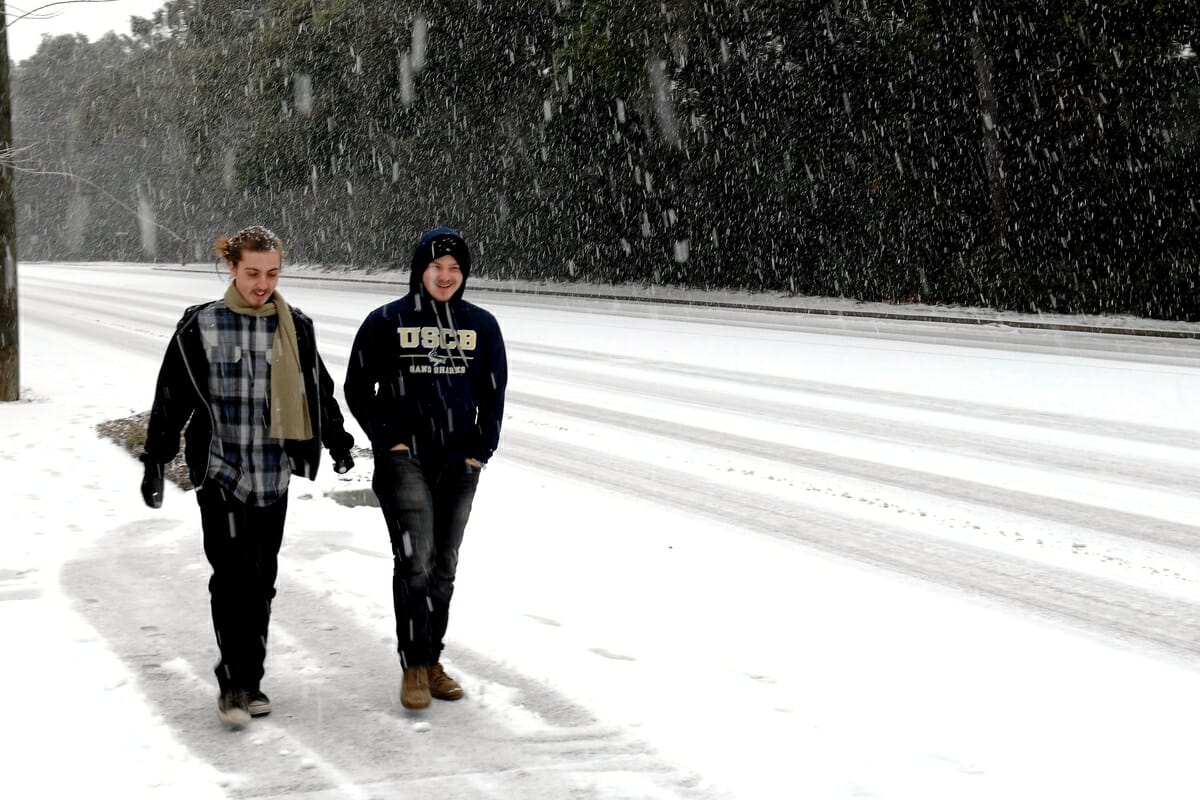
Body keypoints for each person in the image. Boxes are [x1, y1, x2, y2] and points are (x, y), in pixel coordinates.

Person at [138, 225, 355, 727]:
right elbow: (172, 396)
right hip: (223, 474)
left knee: (261, 582)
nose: (263, 284)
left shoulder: (295, 326)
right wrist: (155, 459)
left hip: (273, 475)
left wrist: (338, 440)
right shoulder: (201, 325)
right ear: (232, 267)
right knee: (232, 579)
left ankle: (249, 677)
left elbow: (317, 389)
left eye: (272, 273)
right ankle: (235, 683)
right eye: (253, 272)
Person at [344, 226, 507, 710]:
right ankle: (413, 666)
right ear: (420, 269)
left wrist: (481, 449)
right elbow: (356, 387)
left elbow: (493, 394)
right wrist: (387, 439)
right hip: (405, 460)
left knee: (444, 566)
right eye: (436, 266)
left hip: (459, 462)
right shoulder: (387, 321)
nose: (445, 275)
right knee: (415, 563)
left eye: (454, 268)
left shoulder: (481, 325)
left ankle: (432, 660)